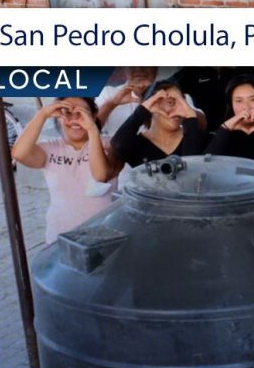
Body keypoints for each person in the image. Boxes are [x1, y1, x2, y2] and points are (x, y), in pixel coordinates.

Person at [12, 97, 120, 245]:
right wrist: (42, 114)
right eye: (67, 113)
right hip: (61, 236)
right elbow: (19, 154)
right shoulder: (50, 148)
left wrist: (92, 130)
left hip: (104, 234)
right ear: (58, 117)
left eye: (82, 113)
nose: (75, 119)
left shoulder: (110, 145)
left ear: (94, 115)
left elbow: (101, 175)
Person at [110, 79, 209, 168]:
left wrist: (190, 118)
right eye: (170, 102)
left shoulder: (201, 139)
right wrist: (142, 111)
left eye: (181, 102)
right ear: (152, 105)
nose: (178, 109)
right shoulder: (136, 144)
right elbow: (118, 145)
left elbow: (191, 167)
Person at [169, 66, 254, 131]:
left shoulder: (244, 70)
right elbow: (165, 88)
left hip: (241, 129)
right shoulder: (192, 71)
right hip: (207, 132)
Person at [95, 66, 157, 136]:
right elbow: (89, 131)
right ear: (125, 69)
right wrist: (112, 103)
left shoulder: (169, 94)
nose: (139, 68)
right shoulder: (107, 93)